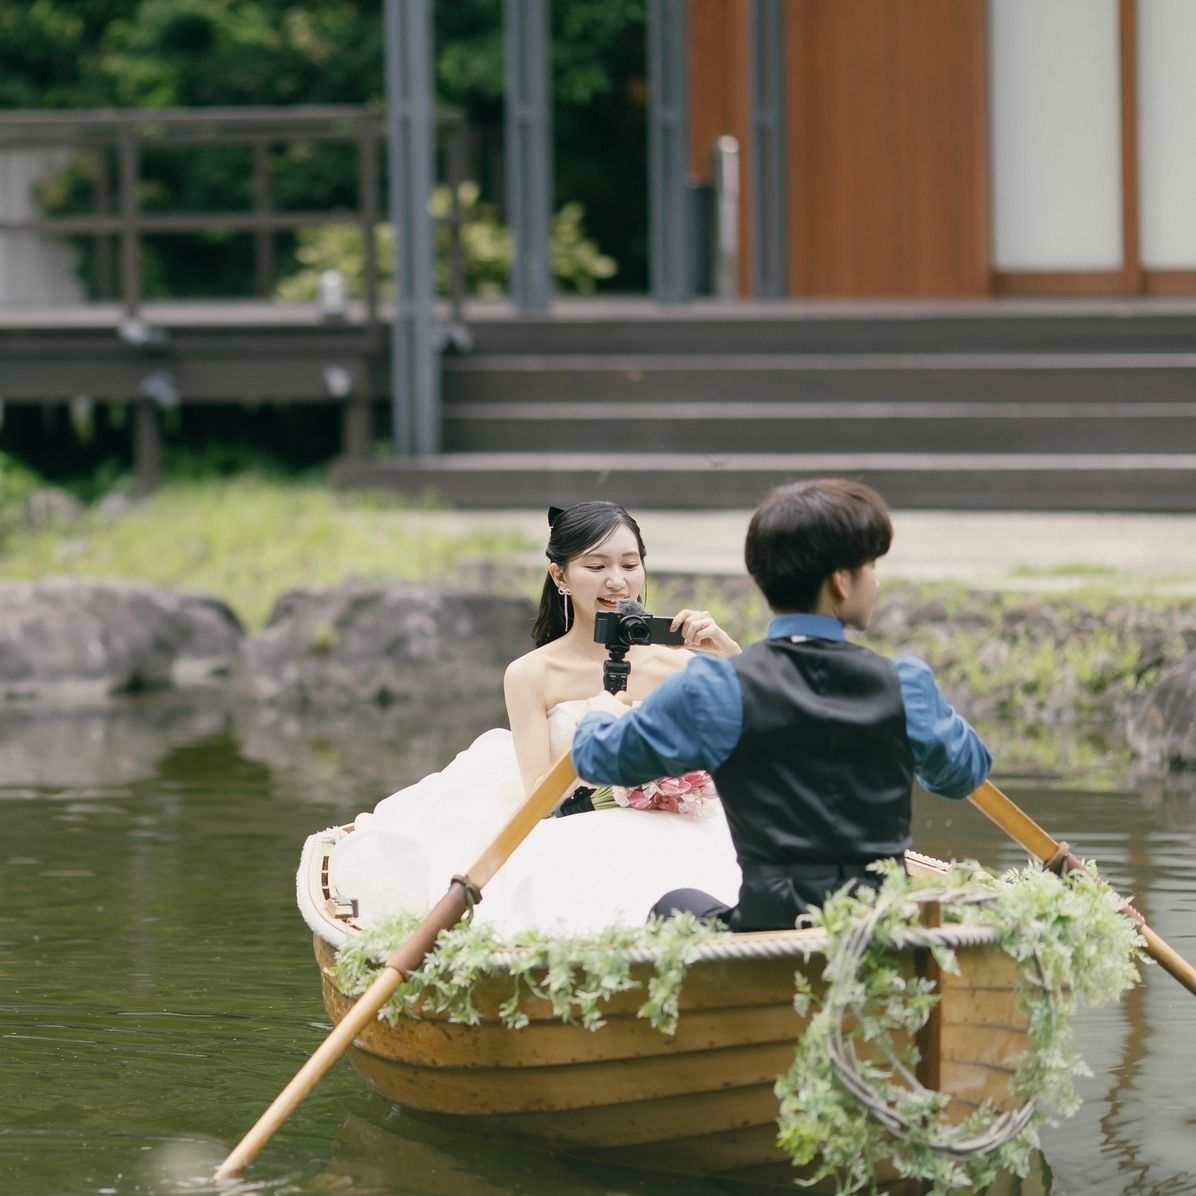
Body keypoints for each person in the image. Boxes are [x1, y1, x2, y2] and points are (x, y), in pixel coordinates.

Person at [571, 478, 992, 932]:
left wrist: (603, 712)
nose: (875, 579)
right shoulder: (905, 683)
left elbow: (598, 757)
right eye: (870, 566)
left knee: (674, 904)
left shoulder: (716, 688)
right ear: (840, 582)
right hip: (879, 927)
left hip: (770, 928)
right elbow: (964, 774)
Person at [321, 501, 744, 934]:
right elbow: (540, 796)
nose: (617, 581)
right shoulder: (531, 674)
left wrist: (730, 657)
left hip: (678, 827)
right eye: (596, 566)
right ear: (559, 576)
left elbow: (769, 736)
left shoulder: (681, 666)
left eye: (630, 564)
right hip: (573, 824)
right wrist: (616, 776)